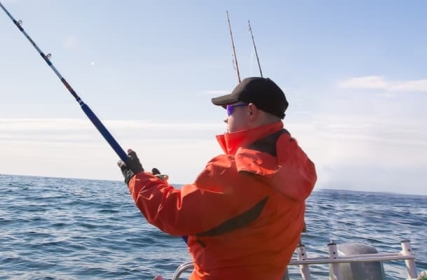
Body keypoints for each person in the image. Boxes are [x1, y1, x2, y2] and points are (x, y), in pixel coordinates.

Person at [117, 77, 317, 280]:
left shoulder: (239, 170)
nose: (225, 118)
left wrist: (136, 178)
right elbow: (241, 223)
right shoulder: (296, 169)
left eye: (229, 109)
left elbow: (172, 213)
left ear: (251, 111)